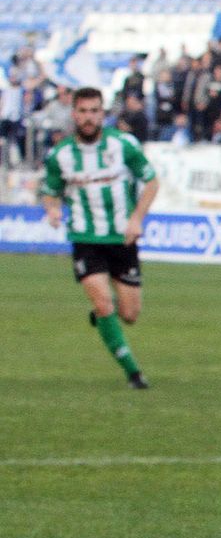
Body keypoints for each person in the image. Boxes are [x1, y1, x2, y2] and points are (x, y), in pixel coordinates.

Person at [40, 88, 159, 389]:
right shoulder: (61, 154)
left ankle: (102, 318)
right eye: (83, 111)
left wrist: (136, 219)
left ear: (102, 114)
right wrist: (53, 211)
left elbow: (151, 181)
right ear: (74, 114)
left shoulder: (123, 145)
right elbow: (50, 192)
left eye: (94, 111)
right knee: (105, 304)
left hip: (122, 238)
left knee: (129, 314)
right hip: (85, 238)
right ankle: (133, 373)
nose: (89, 117)